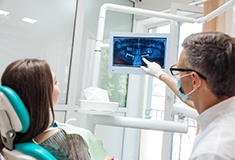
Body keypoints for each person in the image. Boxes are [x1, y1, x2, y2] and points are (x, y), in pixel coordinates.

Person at [141, 31, 235, 160]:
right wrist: (160, 75)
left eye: (178, 71)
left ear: (194, 80)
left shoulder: (212, 151)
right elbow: (190, 99)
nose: (178, 77)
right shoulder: (224, 110)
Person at [0, 58, 107, 160]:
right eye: (55, 82)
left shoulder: (10, 140)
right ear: (41, 96)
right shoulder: (67, 142)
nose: (59, 84)